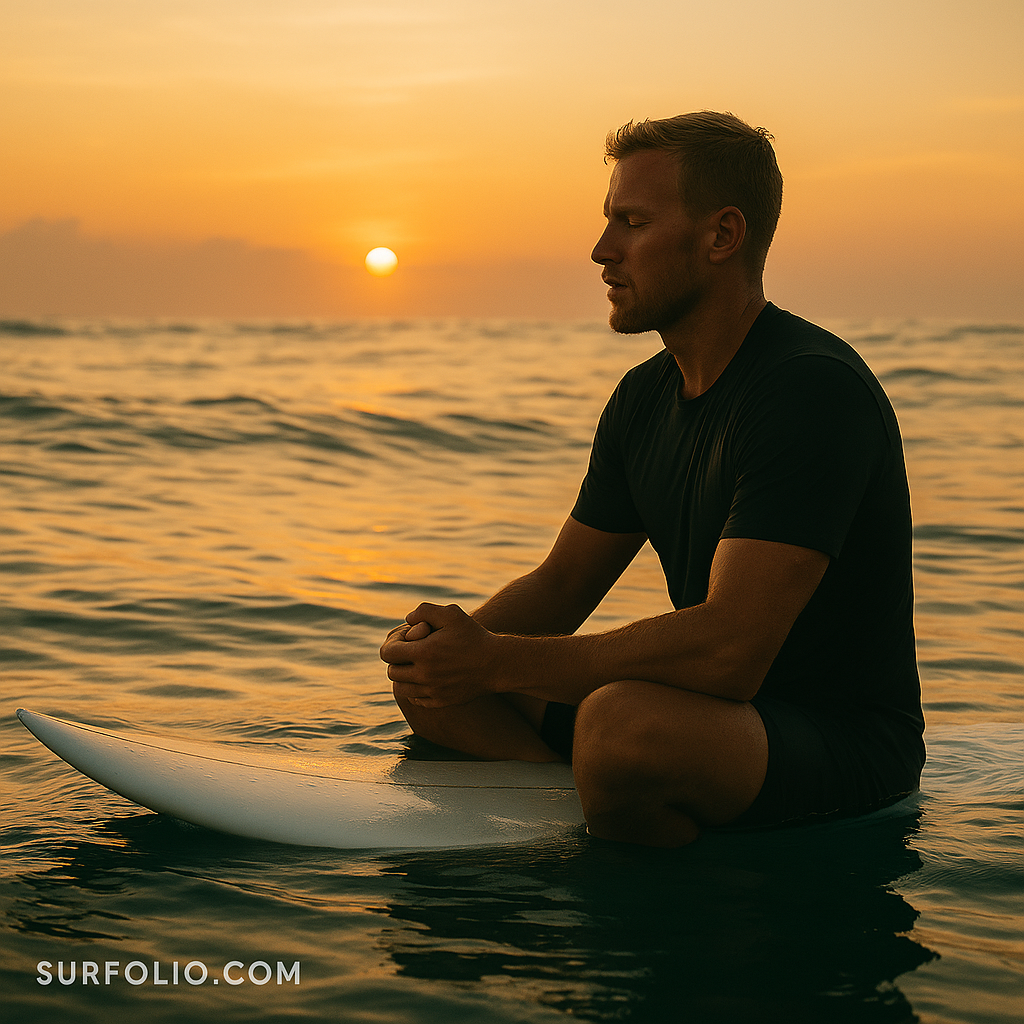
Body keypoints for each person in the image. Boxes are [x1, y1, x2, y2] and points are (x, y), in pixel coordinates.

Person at [379, 111, 925, 848]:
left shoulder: (810, 390)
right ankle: (574, 806)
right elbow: (563, 584)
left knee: (621, 726)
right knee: (431, 681)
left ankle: (614, 807)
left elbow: (730, 650)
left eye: (633, 223)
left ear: (722, 236)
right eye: (608, 220)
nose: (602, 250)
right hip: (699, 717)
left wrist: (497, 661)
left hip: (839, 744)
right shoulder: (643, 398)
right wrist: (449, 652)